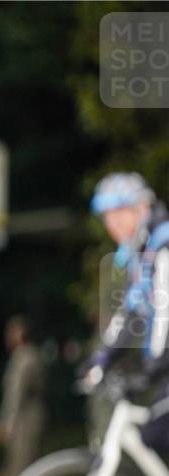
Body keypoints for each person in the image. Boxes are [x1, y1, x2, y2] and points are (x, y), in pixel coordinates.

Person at [86, 172, 169, 454]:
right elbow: (131, 313)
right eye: (108, 215)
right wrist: (101, 359)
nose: (114, 222)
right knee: (152, 435)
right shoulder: (139, 254)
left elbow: (165, 314)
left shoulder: (163, 245)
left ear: (143, 208)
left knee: (157, 433)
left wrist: (153, 367)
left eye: (120, 211)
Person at [0, 315, 46, 476]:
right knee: (23, 464)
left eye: (12, 331)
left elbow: (17, 393)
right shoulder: (24, 356)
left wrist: (7, 422)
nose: (8, 336)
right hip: (24, 418)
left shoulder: (26, 357)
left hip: (26, 419)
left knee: (23, 465)